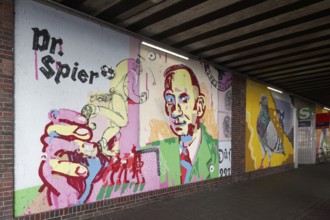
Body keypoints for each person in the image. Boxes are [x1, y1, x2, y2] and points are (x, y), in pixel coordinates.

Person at [159, 64, 219, 185]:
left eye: (184, 99)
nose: (175, 111)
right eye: (170, 100)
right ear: (166, 107)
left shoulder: (215, 150)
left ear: (200, 106)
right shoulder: (159, 151)